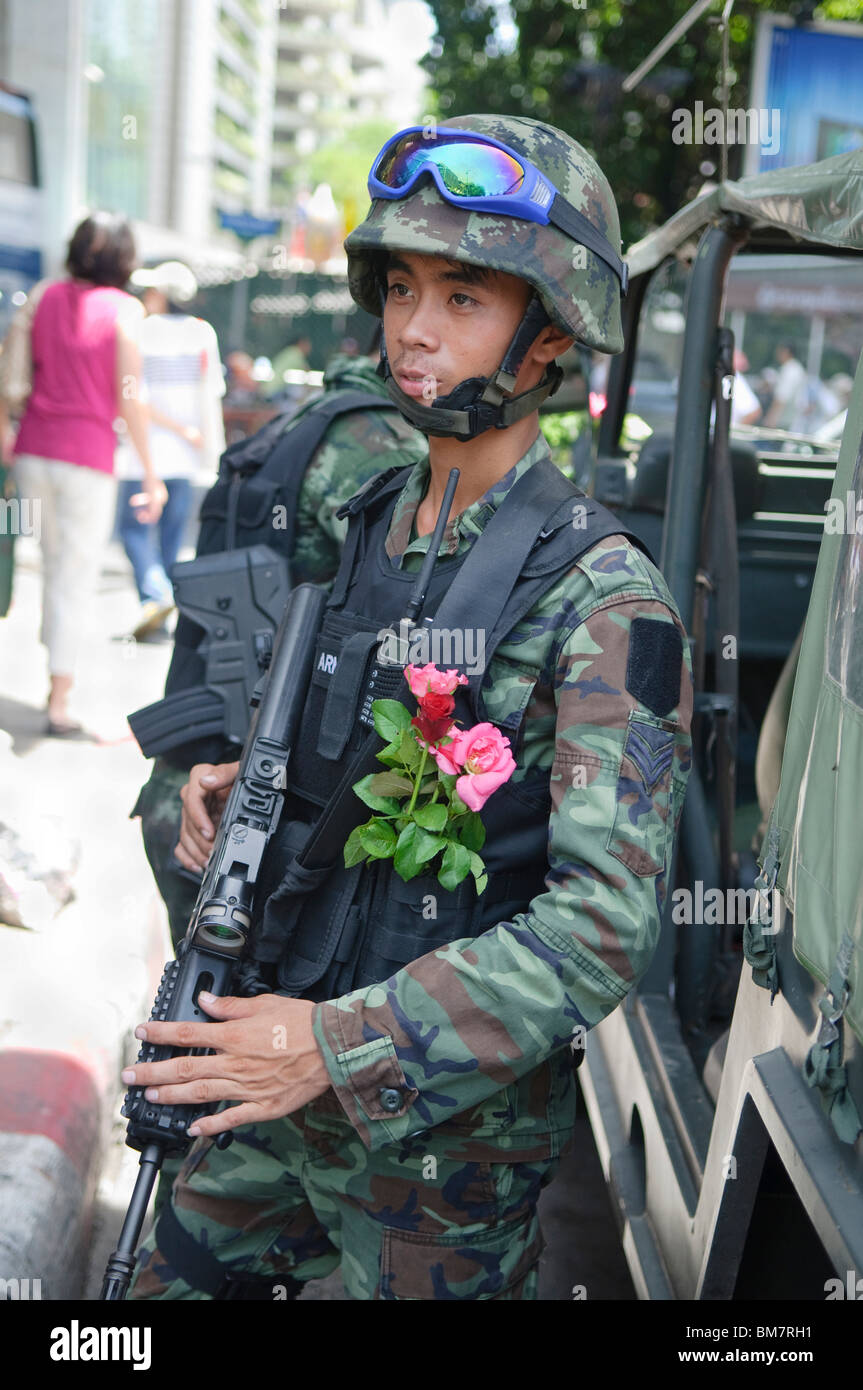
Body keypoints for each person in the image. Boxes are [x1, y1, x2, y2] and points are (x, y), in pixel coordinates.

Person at [125, 115, 693, 1301]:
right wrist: (219, 800)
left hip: (440, 1151)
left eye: (464, 299)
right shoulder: (359, 517)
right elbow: (312, 756)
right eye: (400, 287)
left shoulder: (603, 597)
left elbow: (602, 927)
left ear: (547, 337)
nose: (415, 331)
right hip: (261, 1068)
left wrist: (331, 1047)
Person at [132, 344, 426, 950]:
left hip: (197, 780)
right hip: (242, 807)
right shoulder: (377, 444)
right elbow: (409, 600)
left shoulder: (304, 420)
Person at [0, 213, 165, 736]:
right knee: (73, 576)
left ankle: (57, 676)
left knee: (50, 566)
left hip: (32, 454)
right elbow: (130, 394)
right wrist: (150, 472)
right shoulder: (125, 310)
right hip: (86, 458)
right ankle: (60, 702)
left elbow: (11, 375)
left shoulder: (44, 295)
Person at [115, 261, 226, 640]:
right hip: (186, 455)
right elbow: (211, 393)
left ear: (161, 294)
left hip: (141, 453)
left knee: (131, 529)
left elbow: (134, 398)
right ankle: (160, 604)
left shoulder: (140, 331)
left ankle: (155, 594)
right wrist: (206, 445)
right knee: (171, 536)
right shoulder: (202, 332)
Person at [764, 343, 808, 432]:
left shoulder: (789, 370)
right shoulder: (796, 368)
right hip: (794, 420)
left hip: (786, 422)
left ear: (786, 352)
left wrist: (771, 418)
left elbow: (781, 397)